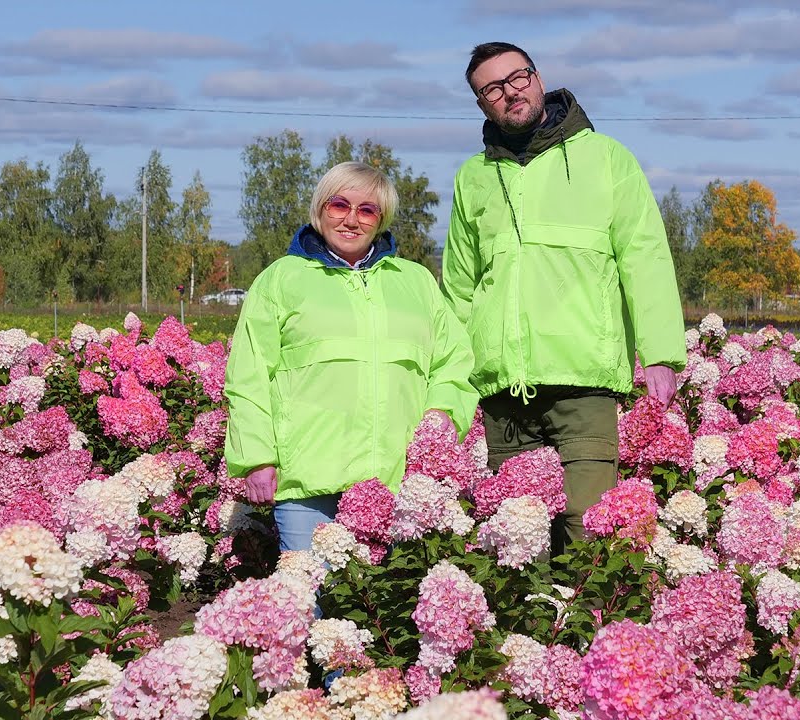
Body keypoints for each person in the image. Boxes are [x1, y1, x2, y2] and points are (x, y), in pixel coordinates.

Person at [443, 42, 687, 545]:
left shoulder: (606, 158)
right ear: (481, 104)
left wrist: (661, 352)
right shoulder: (473, 177)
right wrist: (455, 387)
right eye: (492, 88)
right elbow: (460, 290)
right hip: (503, 395)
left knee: (589, 532)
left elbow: (645, 256)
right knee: (517, 544)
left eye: (517, 77)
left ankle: (595, 626)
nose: (509, 93)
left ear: (537, 78)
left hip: (584, 380)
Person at [225, 162, 479, 552]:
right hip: (308, 483)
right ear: (320, 209)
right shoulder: (281, 280)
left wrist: (441, 419)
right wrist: (257, 458)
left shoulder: (416, 282)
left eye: (367, 210)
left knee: (387, 608)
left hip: (399, 483)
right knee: (309, 599)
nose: (351, 220)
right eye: (339, 205)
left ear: (381, 219)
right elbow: (248, 375)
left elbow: (454, 363)